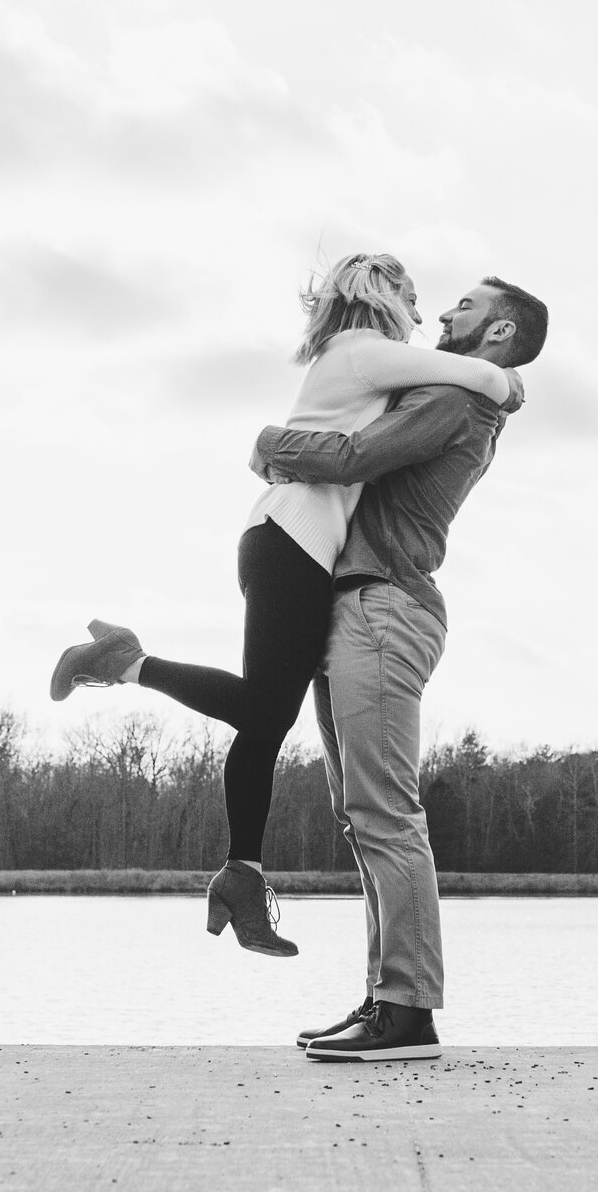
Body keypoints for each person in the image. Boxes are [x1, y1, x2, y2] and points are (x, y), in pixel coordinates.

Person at [47, 253, 523, 956]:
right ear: (383, 293)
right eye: (416, 299)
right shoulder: (362, 351)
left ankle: (243, 874)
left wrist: (274, 444)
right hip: (293, 538)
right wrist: (508, 380)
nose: (425, 317)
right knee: (266, 709)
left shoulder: (365, 359)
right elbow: (479, 378)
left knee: (265, 722)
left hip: (286, 538)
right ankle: (124, 661)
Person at [257, 276, 548, 1062]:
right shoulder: (448, 388)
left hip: (386, 606)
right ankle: (386, 995)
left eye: (465, 306)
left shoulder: (454, 404)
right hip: (355, 606)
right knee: (360, 815)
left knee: (386, 811)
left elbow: (356, 455)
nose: (446, 312)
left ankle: (409, 1010)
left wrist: (271, 446)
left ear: (497, 334)